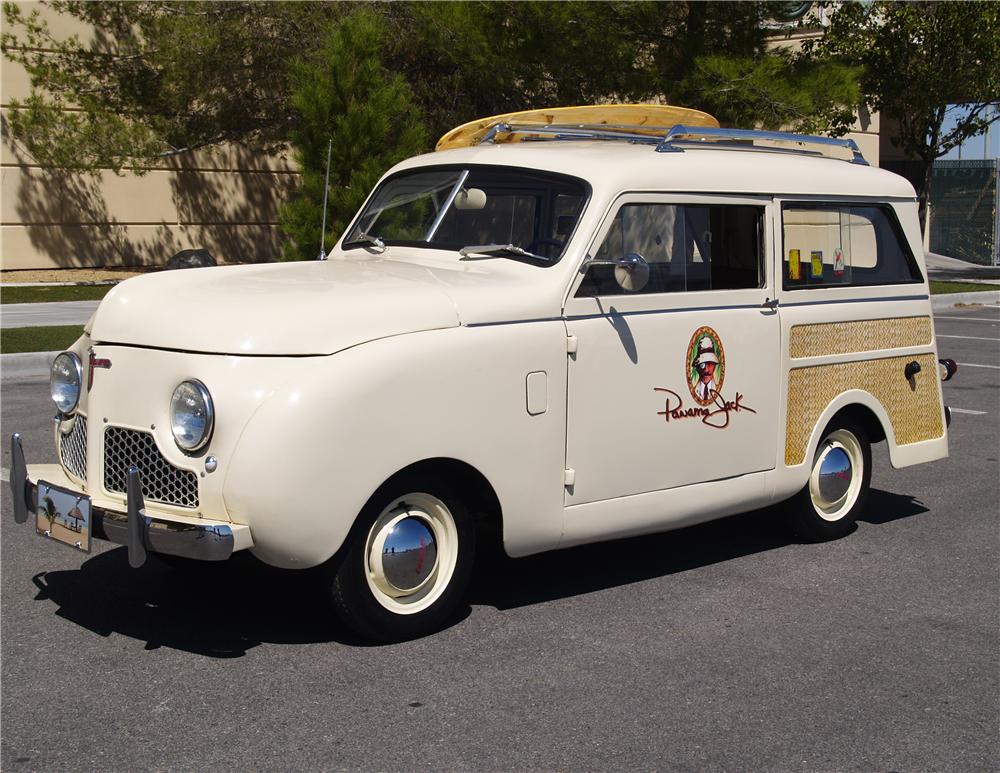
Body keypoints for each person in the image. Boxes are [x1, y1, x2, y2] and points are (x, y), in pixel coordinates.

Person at [690, 335, 720, 403]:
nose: (706, 370)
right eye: (702, 365)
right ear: (697, 367)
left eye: (709, 363)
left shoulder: (720, 390)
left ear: (715, 365)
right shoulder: (693, 392)